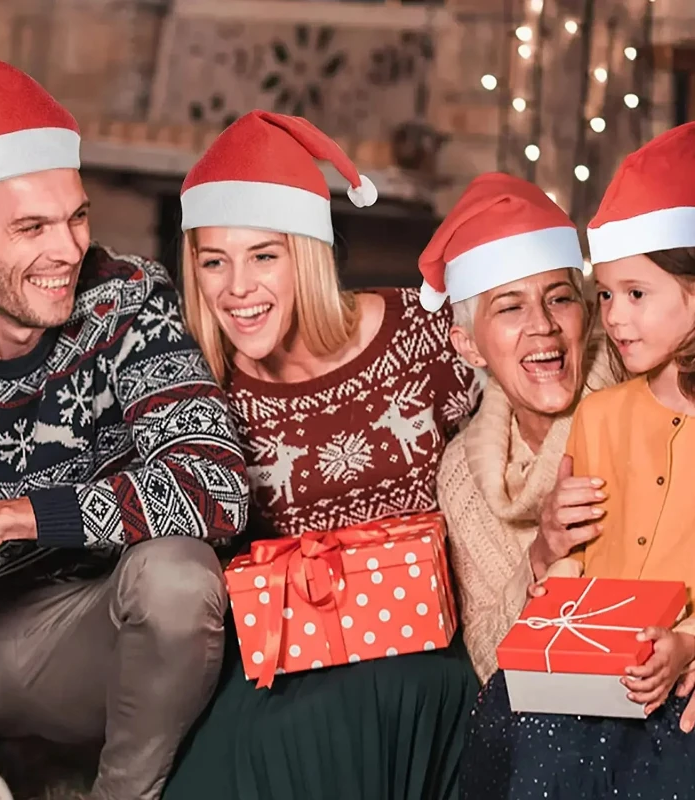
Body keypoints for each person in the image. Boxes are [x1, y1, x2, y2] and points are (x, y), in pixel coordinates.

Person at [0, 59, 249, 800]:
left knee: (179, 578)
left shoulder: (129, 301)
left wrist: (14, 517)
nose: (68, 249)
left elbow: (219, 486)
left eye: (76, 216)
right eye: (31, 226)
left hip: (83, 636)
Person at [164, 110, 483, 800]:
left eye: (263, 256)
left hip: (423, 647)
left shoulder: (423, 331)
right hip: (284, 661)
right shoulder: (200, 390)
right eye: (213, 261)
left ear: (306, 253)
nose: (236, 288)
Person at [460, 113, 695, 799]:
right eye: (605, 294)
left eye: (635, 296)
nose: (614, 317)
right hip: (582, 678)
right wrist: (557, 597)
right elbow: (578, 551)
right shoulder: (601, 414)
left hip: (684, 673)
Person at [417, 172, 613, 685]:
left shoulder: (642, 404)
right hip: (550, 705)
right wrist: (543, 553)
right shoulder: (462, 474)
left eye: (559, 298)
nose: (543, 325)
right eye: (509, 307)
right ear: (469, 346)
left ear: (586, 315)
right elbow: (486, 659)